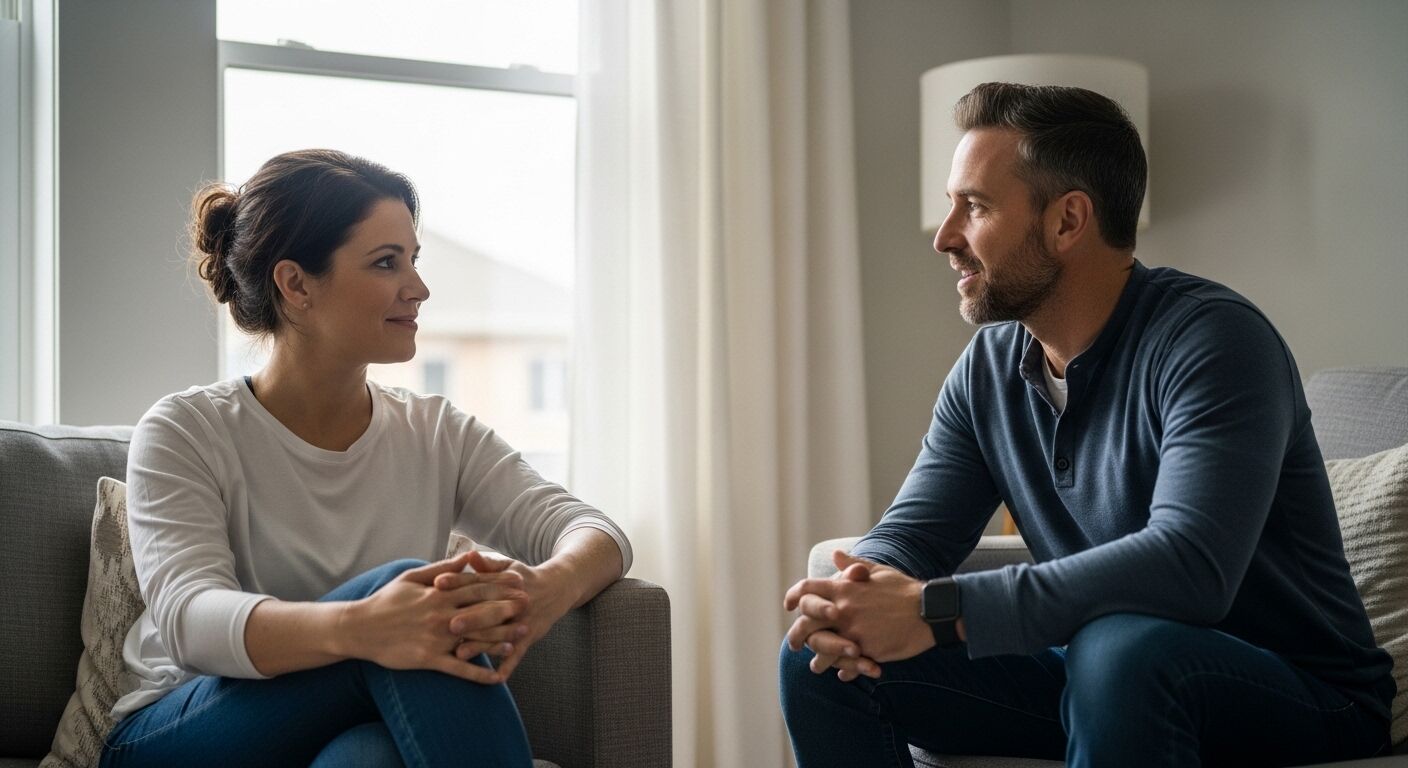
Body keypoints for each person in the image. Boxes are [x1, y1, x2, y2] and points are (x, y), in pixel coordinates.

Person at [778, 83, 1394, 766]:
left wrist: (937, 611)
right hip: (1103, 679)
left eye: (975, 206)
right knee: (819, 658)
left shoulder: (1215, 341)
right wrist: (858, 599)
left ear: (1068, 220)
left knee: (1120, 648)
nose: (946, 238)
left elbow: (1191, 566)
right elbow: (915, 533)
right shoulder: (989, 366)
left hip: (1301, 691)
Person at [101, 149, 632, 767]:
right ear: (295, 283)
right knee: (412, 599)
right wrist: (362, 626)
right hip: (181, 730)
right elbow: (192, 621)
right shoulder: (187, 429)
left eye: (413, 260)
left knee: (371, 756)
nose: (420, 288)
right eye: (387, 263)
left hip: (352, 717)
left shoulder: (435, 432)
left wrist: (543, 589)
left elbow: (598, 533)